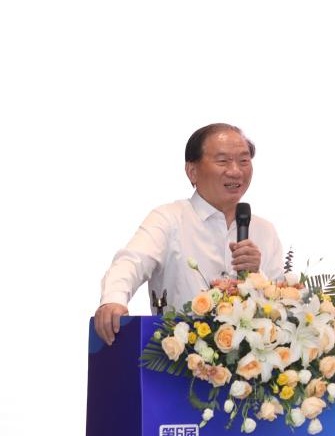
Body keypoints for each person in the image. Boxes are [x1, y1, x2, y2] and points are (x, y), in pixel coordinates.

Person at [94, 123, 284, 345]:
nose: (235, 171)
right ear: (192, 171)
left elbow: (282, 306)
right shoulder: (169, 218)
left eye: (243, 161)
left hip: (252, 360)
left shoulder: (264, 230)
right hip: (178, 358)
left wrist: (257, 275)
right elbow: (131, 261)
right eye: (223, 161)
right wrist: (113, 300)